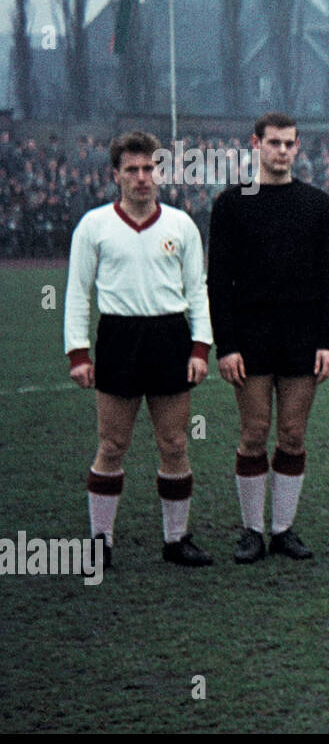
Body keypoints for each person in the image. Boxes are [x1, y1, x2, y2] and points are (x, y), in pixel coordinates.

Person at [64, 131, 213, 567]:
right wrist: (78, 353)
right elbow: (77, 292)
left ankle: (176, 540)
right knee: (112, 445)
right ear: (116, 174)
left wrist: (200, 347)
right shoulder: (94, 225)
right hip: (119, 338)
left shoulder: (181, 225)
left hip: (169, 338)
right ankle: (100, 543)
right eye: (132, 169)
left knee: (175, 443)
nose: (142, 177)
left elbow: (197, 290)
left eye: (149, 168)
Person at [207, 112, 329, 563]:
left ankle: (283, 529)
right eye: (274, 143)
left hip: (302, 336)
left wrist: (328, 341)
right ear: (256, 144)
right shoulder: (231, 203)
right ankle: (252, 531)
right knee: (254, 432)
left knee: (292, 434)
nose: (282, 151)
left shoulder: (317, 203)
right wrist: (226, 345)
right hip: (250, 337)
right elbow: (218, 282)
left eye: (289, 144)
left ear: (297, 147)